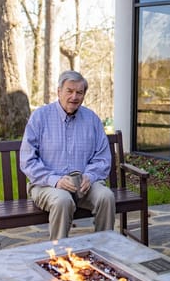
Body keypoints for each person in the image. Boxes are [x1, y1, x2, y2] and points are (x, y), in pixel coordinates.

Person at [20, 70, 116, 241]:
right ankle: (59, 255)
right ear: (59, 92)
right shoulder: (40, 117)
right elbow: (28, 160)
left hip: (84, 184)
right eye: (69, 91)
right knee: (63, 200)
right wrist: (55, 180)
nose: (74, 96)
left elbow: (102, 157)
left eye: (79, 92)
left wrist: (90, 175)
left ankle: (104, 248)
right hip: (47, 185)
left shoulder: (92, 119)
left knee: (106, 196)